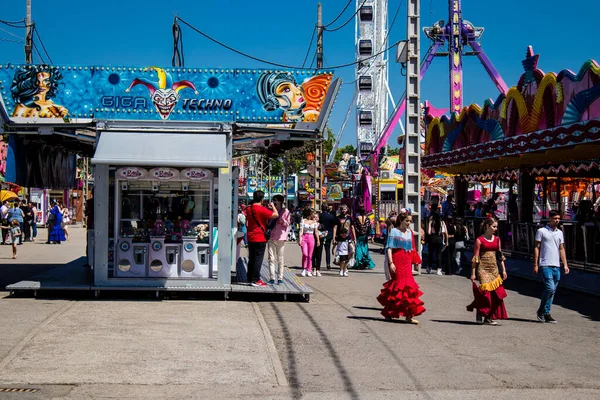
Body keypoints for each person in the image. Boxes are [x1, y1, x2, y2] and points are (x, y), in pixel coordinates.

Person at [377, 210, 425, 324]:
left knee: (408, 288)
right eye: (406, 221)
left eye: (410, 221)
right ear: (401, 221)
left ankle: (409, 315)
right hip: (397, 261)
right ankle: (389, 313)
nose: (408, 223)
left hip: (407, 262)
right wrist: (391, 263)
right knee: (397, 287)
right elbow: (389, 248)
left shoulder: (409, 232)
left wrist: (415, 261)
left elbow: (412, 248)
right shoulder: (394, 231)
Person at [467, 218, 508, 325]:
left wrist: (503, 270)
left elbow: (499, 256)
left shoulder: (497, 239)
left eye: (496, 227)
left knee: (495, 294)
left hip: (494, 269)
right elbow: (476, 257)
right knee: (485, 293)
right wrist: (473, 273)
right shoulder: (479, 240)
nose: (496, 229)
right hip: (483, 269)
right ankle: (481, 313)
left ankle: (488, 316)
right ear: (487, 226)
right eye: (494, 226)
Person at [534, 210, 570, 323]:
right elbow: (536, 247)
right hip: (545, 264)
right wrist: (535, 264)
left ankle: (547, 313)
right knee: (550, 288)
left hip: (556, 265)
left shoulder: (559, 232)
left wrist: (565, 264)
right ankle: (541, 310)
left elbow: (561, 248)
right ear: (549, 219)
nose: (557, 220)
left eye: (558, 218)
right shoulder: (542, 231)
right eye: (555, 218)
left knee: (553, 291)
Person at [246, 190, 279, 287]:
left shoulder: (249, 208)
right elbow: (276, 215)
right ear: (262, 198)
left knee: (251, 258)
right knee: (258, 259)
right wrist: (273, 206)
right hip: (260, 237)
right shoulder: (261, 209)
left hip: (250, 236)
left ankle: (250, 277)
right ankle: (256, 280)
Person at [267, 195, 291, 285]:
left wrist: (282, 221)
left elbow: (288, 223)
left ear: (280, 202)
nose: (274, 202)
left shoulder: (285, 211)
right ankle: (272, 278)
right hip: (271, 236)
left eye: (275, 200)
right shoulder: (270, 210)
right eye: (273, 200)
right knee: (271, 258)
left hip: (281, 237)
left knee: (280, 259)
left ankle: (280, 278)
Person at [298, 207, 319, 277]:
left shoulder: (314, 222)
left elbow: (316, 231)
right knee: (305, 254)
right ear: (310, 214)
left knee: (310, 255)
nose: (315, 215)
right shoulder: (303, 221)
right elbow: (301, 230)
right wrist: (300, 239)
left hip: (311, 238)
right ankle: (303, 268)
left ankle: (308, 270)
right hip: (304, 237)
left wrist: (318, 240)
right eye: (314, 213)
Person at [426, 210, 447, 275]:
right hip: (439, 238)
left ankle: (429, 268)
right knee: (439, 254)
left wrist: (429, 223)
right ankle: (439, 269)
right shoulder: (442, 222)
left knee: (430, 254)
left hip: (432, 238)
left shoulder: (432, 222)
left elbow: (429, 232)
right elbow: (445, 232)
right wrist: (446, 240)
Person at [318, 204, 336, 270]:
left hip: (321, 234)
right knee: (327, 250)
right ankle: (328, 264)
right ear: (327, 208)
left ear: (321, 208)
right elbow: (333, 226)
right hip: (329, 234)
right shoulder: (331, 216)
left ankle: (318, 264)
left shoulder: (320, 216)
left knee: (320, 250)